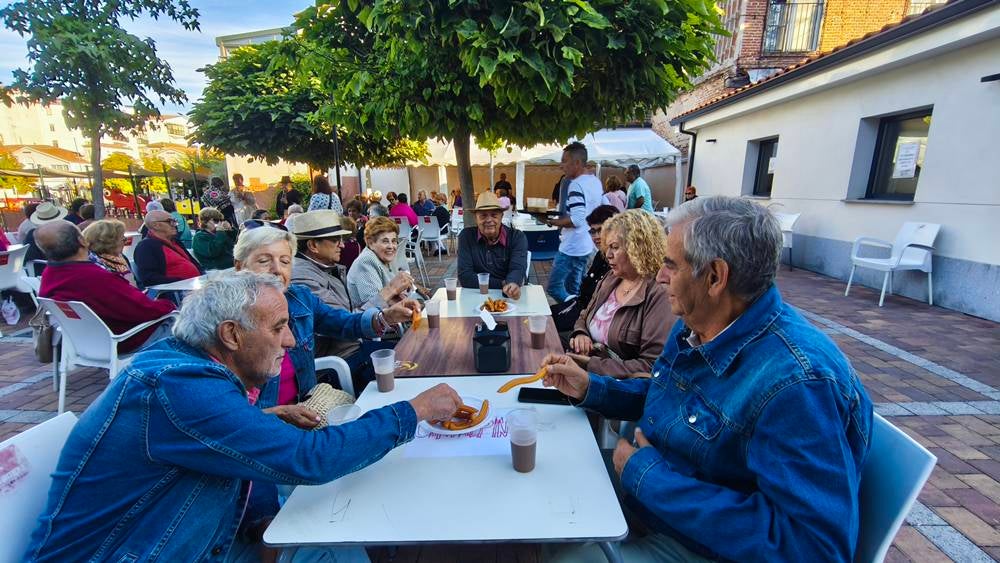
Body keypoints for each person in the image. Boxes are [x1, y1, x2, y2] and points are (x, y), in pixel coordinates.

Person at [26, 270, 463, 562]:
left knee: (327, 531)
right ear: (231, 335)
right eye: (278, 328)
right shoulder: (179, 390)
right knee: (330, 541)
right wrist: (414, 411)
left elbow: (188, 448)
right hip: (134, 552)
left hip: (187, 537)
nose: (291, 341)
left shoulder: (183, 367)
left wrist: (263, 418)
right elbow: (311, 459)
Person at [543, 196, 873, 562]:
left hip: (697, 543)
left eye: (670, 265)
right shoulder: (698, 322)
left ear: (715, 276)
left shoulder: (798, 384)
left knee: (564, 553)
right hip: (652, 492)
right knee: (548, 483)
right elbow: (667, 394)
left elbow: (813, 547)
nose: (660, 275)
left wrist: (651, 480)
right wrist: (592, 387)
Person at [233, 225, 418, 410]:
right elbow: (225, 407)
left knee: (411, 374)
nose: (277, 269)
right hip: (271, 423)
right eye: (264, 261)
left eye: (285, 261)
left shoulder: (300, 297)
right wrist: (273, 415)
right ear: (239, 266)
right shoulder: (226, 318)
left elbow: (342, 322)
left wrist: (386, 316)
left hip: (310, 403)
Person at [290, 211, 411, 370]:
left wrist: (389, 306)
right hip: (340, 361)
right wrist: (388, 297)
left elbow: (348, 314)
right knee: (413, 360)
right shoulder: (303, 279)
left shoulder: (325, 269)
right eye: (335, 240)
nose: (342, 245)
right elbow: (341, 323)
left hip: (353, 348)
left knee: (414, 353)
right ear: (313, 245)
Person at [36, 221, 175, 353]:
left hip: (84, 343)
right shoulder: (93, 277)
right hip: (126, 340)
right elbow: (143, 310)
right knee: (186, 323)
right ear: (82, 241)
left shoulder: (49, 275)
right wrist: (170, 305)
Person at [566, 210, 672, 377]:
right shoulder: (611, 278)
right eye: (607, 248)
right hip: (588, 368)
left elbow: (652, 365)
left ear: (638, 247)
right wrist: (581, 334)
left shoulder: (659, 293)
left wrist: (592, 365)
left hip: (616, 386)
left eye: (615, 247)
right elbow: (584, 316)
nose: (608, 255)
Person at [545, 142, 604, 303]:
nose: (561, 166)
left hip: (572, 246)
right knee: (574, 288)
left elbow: (577, 219)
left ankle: (575, 310)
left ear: (577, 163)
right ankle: (576, 318)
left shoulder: (576, 185)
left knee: (554, 287)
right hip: (586, 244)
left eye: (564, 161)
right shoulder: (595, 182)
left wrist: (553, 222)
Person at [551, 205, 618, 332]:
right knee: (543, 315)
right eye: (593, 231)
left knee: (547, 327)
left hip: (591, 319)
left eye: (601, 230)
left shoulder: (617, 262)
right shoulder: (600, 255)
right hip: (580, 308)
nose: (596, 236)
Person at [457, 192, 527, 298]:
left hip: (509, 296)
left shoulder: (517, 237)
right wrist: (503, 283)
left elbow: (517, 269)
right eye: (483, 216)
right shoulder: (466, 237)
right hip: (477, 296)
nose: (489, 220)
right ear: (476, 218)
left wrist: (512, 284)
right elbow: (465, 277)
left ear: (501, 216)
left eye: (494, 215)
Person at [347, 216, 418, 309]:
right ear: (371, 243)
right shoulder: (366, 261)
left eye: (394, 241)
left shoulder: (384, 256)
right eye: (385, 241)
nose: (391, 246)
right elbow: (373, 306)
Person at [133, 210, 204, 288]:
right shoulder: (145, 247)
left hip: (196, 286)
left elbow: (193, 262)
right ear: (155, 225)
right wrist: (183, 282)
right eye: (170, 221)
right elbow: (149, 278)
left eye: (175, 221)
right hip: (177, 292)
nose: (175, 225)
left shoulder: (175, 241)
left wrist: (202, 275)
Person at [22, 202, 70, 271]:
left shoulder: (33, 234)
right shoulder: (69, 228)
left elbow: (29, 256)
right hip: (71, 267)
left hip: (45, 269)